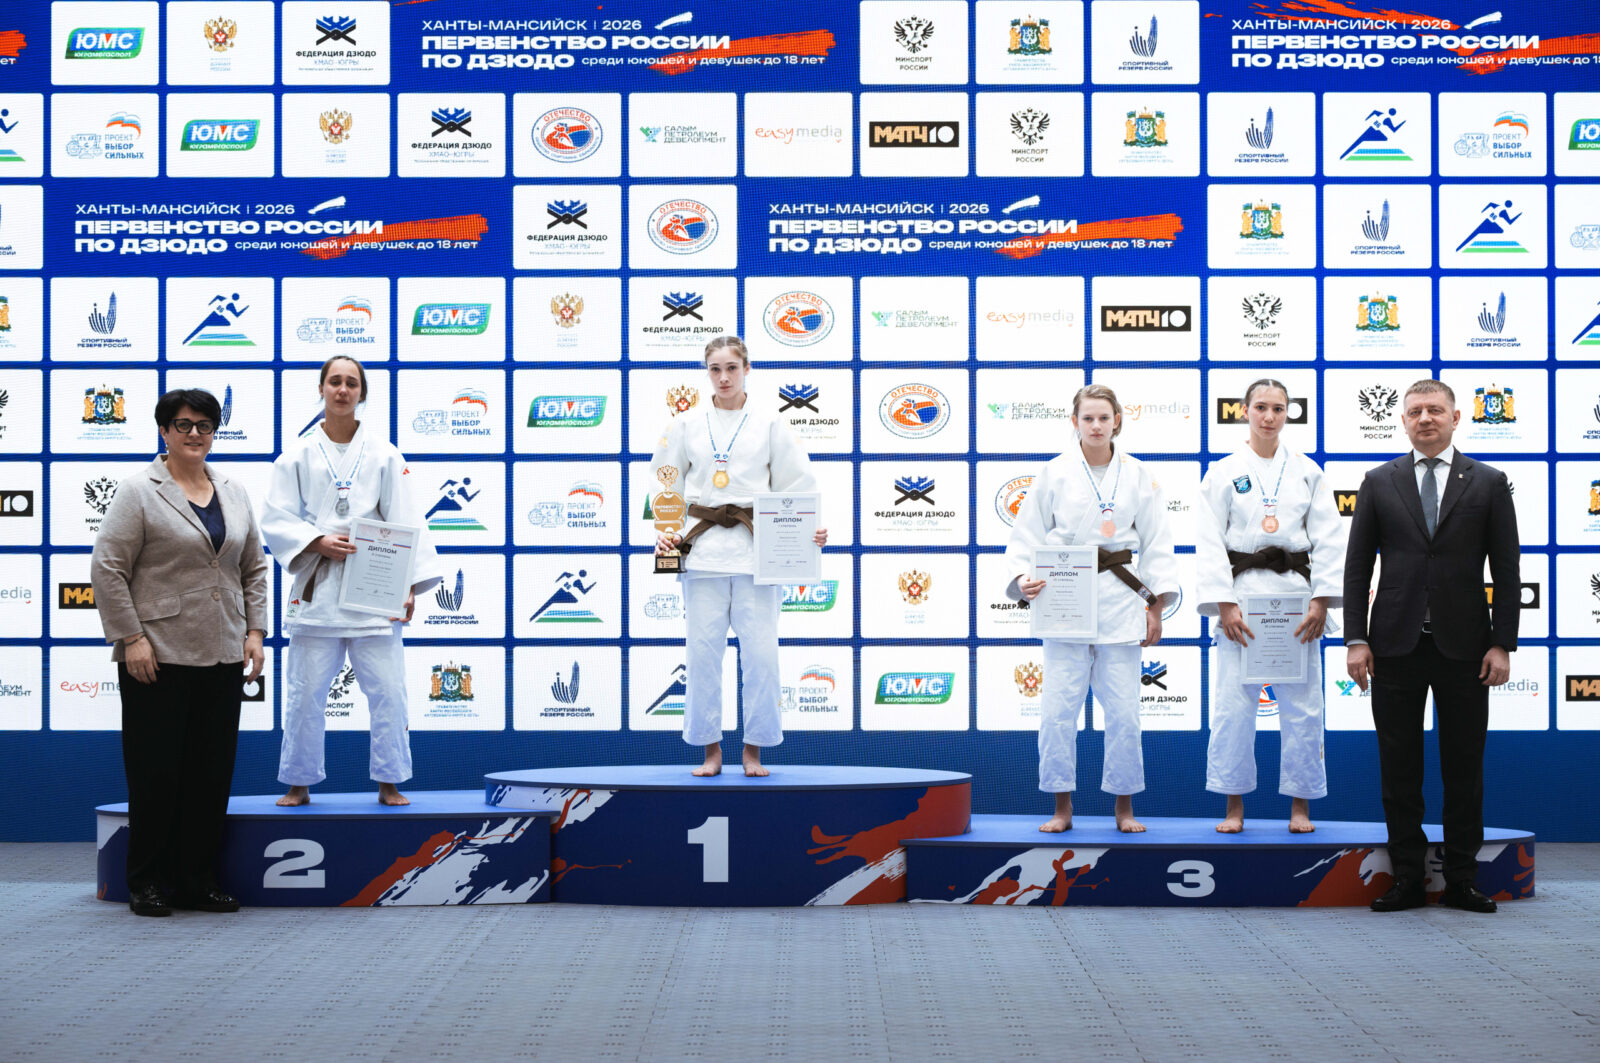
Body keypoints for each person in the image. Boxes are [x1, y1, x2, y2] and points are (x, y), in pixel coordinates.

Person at [90, 389, 269, 916]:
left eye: (204, 425)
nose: (194, 433)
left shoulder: (233, 491)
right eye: (183, 424)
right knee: (156, 775)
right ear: (164, 431)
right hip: (156, 655)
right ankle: (147, 881)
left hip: (223, 653)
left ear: (215, 432)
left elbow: (254, 567)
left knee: (210, 776)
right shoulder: (138, 491)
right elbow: (108, 569)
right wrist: (131, 638)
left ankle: (196, 881)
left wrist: (255, 631)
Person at [1345, 379, 1520, 913]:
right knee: (1399, 769)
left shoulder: (1489, 482)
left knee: (1464, 769)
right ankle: (1407, 879)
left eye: (1435, 410)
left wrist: (1502, 643)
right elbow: (1357, 567)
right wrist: (1356, 638)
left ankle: (1462, 880)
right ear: (1403, 420)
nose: (1426, 418)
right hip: (1393, 646)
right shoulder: (1378, 481)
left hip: (1466, 649)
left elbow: (1507, 570)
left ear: (1455, 417)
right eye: (1416, 411)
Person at [262, 357, 443, 807]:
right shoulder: (296, 455)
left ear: (362, 392)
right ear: (321, 389)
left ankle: (390, 781)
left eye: (351, 383)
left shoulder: (385, 454)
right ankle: (298, 782)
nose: (342, 390)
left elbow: (407, 521)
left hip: (374, 588)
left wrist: (408, 585)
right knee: (305, 695)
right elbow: (276, 517)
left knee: (389, 692)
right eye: (334, 382)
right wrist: (315, 540)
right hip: (318, 589)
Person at [1003, 384, 1179, 833]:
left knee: (1124, 713)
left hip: (1121, 597)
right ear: (1075, 422)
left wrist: (1156, 605)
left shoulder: (1138, 474)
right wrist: (1022, 578)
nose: (1096, 426)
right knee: (1057, 711)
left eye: (1104, 417)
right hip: (1064, 595)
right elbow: (1026, 534)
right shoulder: (1054, 473)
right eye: (1088, 418)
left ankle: (1124, 807)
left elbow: (1158, 543)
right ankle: (1062, 807)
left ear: (1117, 420)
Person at [651, 335, 827, 777]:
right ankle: (710, 751)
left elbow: (796, 485)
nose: (724, 377)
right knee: (702, 656)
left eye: (732, 368)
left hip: (758, 554)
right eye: (715, 369)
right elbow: (666, 483)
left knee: (762, 657)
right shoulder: (685, 424)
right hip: (702, 552)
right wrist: (667, 533)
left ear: (747, 369)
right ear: (706, 372)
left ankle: (754, 751)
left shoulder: (770, 424)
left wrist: (808, 532)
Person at [1195, 379, 1345, 834]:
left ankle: (1300, 807)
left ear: (1287, 413)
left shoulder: (1307, 471)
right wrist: (1224, 605)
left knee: (1303, 708)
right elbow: (1208, 540)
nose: (1269, 416)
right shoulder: (1222, 472)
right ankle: (1233, 807)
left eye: (1278, 408)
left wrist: (1321, 601)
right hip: (1242, 598)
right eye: (1260, 407)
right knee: (1232, 709)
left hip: (1296, 598)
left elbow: (1329, 538)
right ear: (1244, 410)